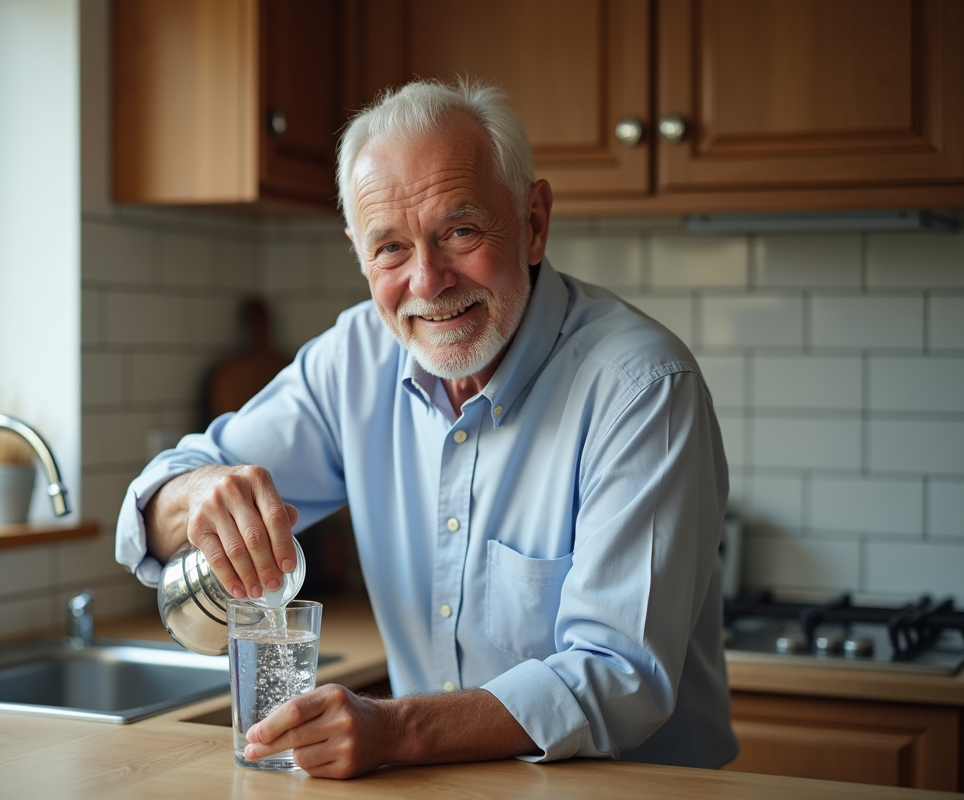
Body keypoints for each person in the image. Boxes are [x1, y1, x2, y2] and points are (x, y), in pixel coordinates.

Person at [115, 80, 738, 779]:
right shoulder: (353, 360)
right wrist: (197, 493)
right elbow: (164, 492)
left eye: (460, 232)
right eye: (389, 249)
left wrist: (398, 730)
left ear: (533, 222)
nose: (428, 281)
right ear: (358, 252)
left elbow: (618, 679)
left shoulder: (641, 388)